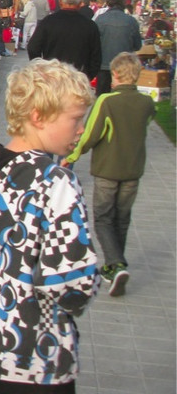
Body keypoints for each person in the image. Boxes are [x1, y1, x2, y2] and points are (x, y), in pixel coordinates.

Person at [0, 58, 99, 393]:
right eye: (75, 119)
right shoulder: (57, 183)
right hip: (29, 362)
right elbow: (72, 282)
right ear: (38, 117)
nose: (81, 129)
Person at [64, 52, 155, 297]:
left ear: (115, 75)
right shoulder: (147, 103)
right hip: (133, 170)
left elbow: (91, 134)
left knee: (103, 218)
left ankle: (117, 264)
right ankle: (113, 267)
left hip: (108, 169)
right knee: (122, 218)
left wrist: (72, 155)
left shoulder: (106, 101)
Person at [27, 0, 102, 80]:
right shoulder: (90, 25)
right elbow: (96, 55)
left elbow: (33, 47)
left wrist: (40, 68)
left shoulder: (48, 22)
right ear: (80, 4)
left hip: (52, 75)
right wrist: (88, 76)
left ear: (60, 2)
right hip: (78, 77)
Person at [93, 0, 142, 96]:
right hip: (124, 65)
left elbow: (94, 43)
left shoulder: (100, 19)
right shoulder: (131, 21)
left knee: (102, 96)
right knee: (123, 95)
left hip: (104, 64)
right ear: (123, 3)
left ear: (108, 3)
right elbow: (138, 45)